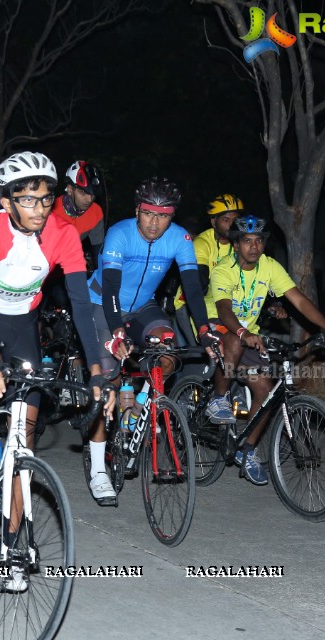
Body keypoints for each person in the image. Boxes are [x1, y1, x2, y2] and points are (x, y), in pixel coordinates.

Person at [0, 151, 114, 496]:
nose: (40, 208)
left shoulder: (63, 234)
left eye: (46, 197)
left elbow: (81, 305)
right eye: (28, 199)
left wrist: (96, 370)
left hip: (22, 322)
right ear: (6, 201)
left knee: (25, 432)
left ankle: (11, 535)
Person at [85, 177, 219, 505]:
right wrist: (117, 333)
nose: (154, 223)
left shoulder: (180, 239)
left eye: (163, 216)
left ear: (172, 217)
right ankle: (98, 469)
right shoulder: (119, 234)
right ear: (137, 211)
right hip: (103, 306)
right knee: (109, 381)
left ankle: (144, 406)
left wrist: (203, 329)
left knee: (169, 350)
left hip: (144, 308)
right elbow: (112, 293)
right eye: (148, 214)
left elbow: (191, 289)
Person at [202, 215, 325, 484]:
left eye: (259, 241)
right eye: (246, 241)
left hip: (248, 335)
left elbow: (298, 301)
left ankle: (248, 450)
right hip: (216, 327)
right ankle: (218, 397)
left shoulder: (269, 267)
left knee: (266, 391)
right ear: (236, 244)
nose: (253, 247)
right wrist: (243, 332)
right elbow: (224, 309)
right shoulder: (223, 269)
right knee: (233, 339)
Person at [170, 193, 244, 346]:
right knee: (202, 354)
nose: (231, 225)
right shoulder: (202, 243)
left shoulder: (242, 244)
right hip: (192, 304)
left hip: (222, 305)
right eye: (225, 220)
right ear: (213, 221)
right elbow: (199, 281)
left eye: (235, 220)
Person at [55, 160, 106, 265]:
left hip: (70, 264)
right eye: (83, 192)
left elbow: (98, 252)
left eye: (92, 194)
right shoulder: (50, 212)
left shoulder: (96, 212)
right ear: (70, 189)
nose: (88, 199)